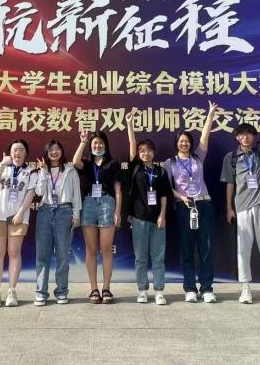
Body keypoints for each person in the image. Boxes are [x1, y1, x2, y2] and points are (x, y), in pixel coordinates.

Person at [221, 92, 260, 304]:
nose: (245, 137)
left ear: (253, 137)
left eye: (248, 134)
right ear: (237, 137)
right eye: (241, 135)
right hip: (242, 206)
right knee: (243, 248)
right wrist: (229, 208)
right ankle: (245, 288)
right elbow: (229, 183)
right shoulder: (231, 158)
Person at [163, 101, 219, 303]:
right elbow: (165, 187)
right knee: (186, 249)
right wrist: (180, 196)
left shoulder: (198, 157)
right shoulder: (170, 163)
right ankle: (190, 289)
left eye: (187, 141)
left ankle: (207, 288)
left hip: (204, 205)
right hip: (184, 207)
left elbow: (205, 137)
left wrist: (210, 114)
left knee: (206, 248)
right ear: (176, 144)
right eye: (181, 141)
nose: (184, 144)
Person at [0, 139, 39, 308]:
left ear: (26, 153)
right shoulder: (3, 167)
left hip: (18, 217)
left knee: (14, 253)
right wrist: (2, 164)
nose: (17, 153)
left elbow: (30, 193)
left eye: (21, 150)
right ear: (10, 152)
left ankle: (12, 291)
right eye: (14, 150)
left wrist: (20, 213)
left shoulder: (31, 171)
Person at [125, 109, 172, 305]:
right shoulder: (136, 167)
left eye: (148, 150)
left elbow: (164, 195)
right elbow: (132, 143)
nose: (145, 153)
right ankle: (142, 290)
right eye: (142, 150)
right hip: (139, 219)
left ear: (154, 152)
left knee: (158, 257)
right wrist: (129, 124)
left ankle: (159, 291)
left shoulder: (160, 171)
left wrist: (162, 215)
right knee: (141, 257)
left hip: (157, 219)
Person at [74, 129, 122, 304]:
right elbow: (75, 162)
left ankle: (106, 288)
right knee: (91, 249)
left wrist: (117, 211)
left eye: (101, 143)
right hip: (88, 204)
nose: (98, 146)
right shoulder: (87, 164)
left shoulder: (113, 163)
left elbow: (118, 189)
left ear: (105, 145)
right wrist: (83, 142)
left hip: (107, 203)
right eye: (95, 143)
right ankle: (93, 288)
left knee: (106, 248)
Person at [33, 139, 82, 305]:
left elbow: (76, 194)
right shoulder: (43, 170)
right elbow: (39, 192)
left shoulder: (70, 170)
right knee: (42, 254)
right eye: (51, 150)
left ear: (62, 151)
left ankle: (61, 291)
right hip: (45, 212)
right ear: (47, 153)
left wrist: (76, 214)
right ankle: (41, 292)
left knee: (63, 254)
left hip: (64, 212)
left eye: (57, 149)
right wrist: (43, 173)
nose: (54, 152)